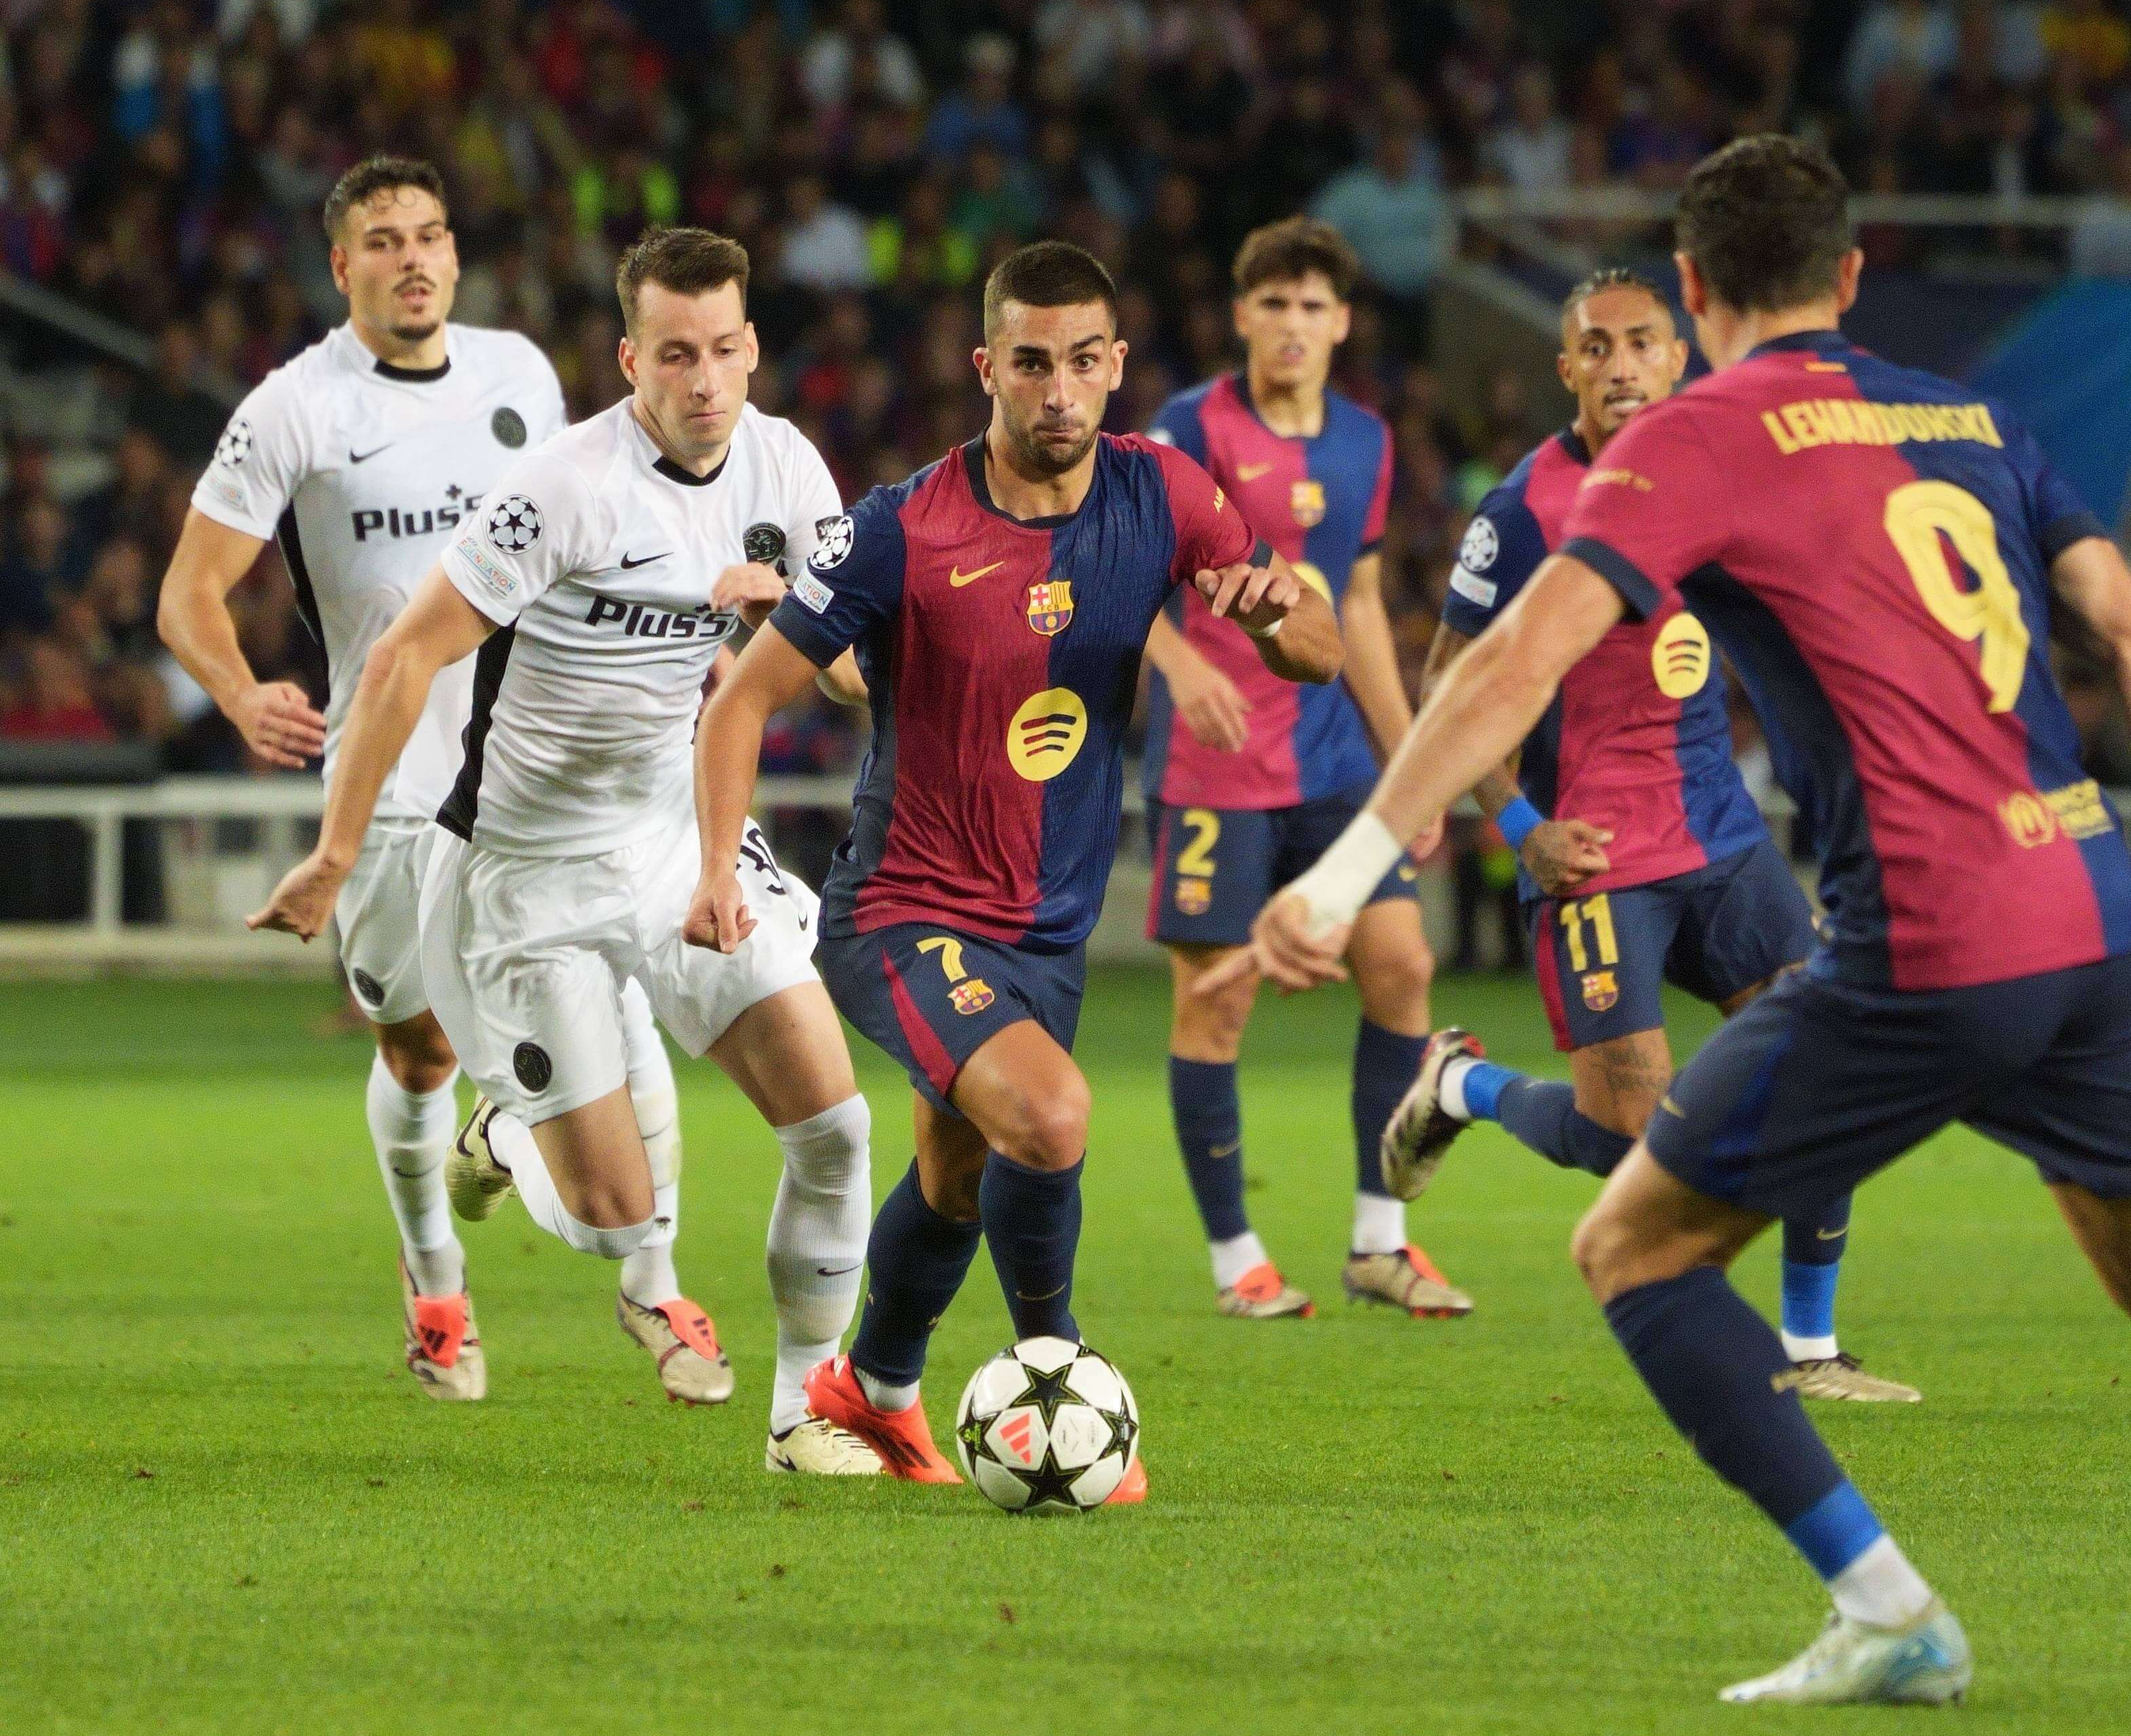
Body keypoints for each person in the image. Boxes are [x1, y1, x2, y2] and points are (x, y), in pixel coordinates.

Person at [1220, 136, 2131, 1710]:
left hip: (1931, 933)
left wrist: (1343, 874)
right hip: (2093, 908)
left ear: (1690, 289)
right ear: (1849, 275)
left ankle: (1888, 1608)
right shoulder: (1971, 418)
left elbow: (1508, 663)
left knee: (1633, 1246)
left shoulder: (1696, 436)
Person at [687, 241, 1342, 1492]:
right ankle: (1059, 1368)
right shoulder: (901, 527)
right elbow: (742, 701)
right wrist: (719, 867)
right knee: (1049, 1114)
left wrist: (1275, 611)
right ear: (986, 367)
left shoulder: (1164, 494)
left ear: (1116, 366)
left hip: (1047, 924)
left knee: (956, 1174)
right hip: (902, 909)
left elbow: (1315, 645)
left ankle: (872, 1389)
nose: (1058, 390)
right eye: (1031, 363)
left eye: (1082, 362)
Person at [247, 226, 884, 1477]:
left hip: (671, 838)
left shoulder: (787, 469)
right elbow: (404, 657)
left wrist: (793, 626)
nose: (705, 380)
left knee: (837, 1125)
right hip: (520, 873)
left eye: (724, 350)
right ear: (630, 360)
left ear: (754, 348)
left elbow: (856, 674)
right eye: (675, 354)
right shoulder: (564, 486)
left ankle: (803, 1413)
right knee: (614, 1219)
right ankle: (504, 1134)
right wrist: (333, 851)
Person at [158, 157, 716, 1408]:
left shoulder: (521, 374)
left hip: (538, 776)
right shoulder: (295, 409)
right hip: (394, 790)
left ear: (456, 254)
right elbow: (187, 593)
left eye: (429, 234)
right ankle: (435, 1279)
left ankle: (657, 1283)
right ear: (341, 264)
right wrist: (241, 691)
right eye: (382, 239)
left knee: (619, 1014)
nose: (411, 257)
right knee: (417, 1053)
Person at [1398, 266, 1911, 1401]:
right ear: (1566, 368)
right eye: (1598, 347)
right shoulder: (1524, 511)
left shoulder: (1726, 473)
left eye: (1642, 342)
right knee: (1626, 1137)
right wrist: (1521, 825)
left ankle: (1811, 1350)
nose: (1622, 364)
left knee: (1826, 1068)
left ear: (1679, 356)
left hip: (1722, 839)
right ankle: (1460, 1086)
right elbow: (1445, 684)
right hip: (1592, 854)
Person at [1139, 218, 1467, 1319]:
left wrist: (1409, 759)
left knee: (1403, 964)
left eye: (1312, 305)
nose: (1291, 322)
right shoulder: (1190, 428)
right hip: (1214, 767)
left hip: (1331, 764)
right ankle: (1237, 1257)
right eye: (1273, 302)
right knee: (1215, 1004)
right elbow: (1115, 575)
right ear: (1241, 315)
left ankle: (1380, 1240)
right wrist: (1183, 662)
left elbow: (1359, 603)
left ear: (1341, 322)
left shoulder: (1365, 440)